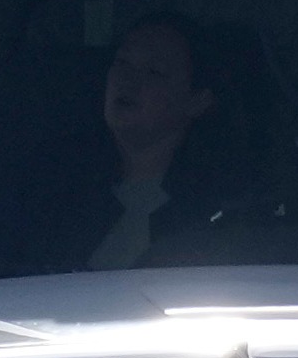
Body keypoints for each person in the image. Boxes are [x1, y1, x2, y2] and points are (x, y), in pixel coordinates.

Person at [71, 15, 237, 270]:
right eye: (122, 63)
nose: (128, 80)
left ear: (197, 100)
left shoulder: (224, 207)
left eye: (154, 72)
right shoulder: (58, 186)